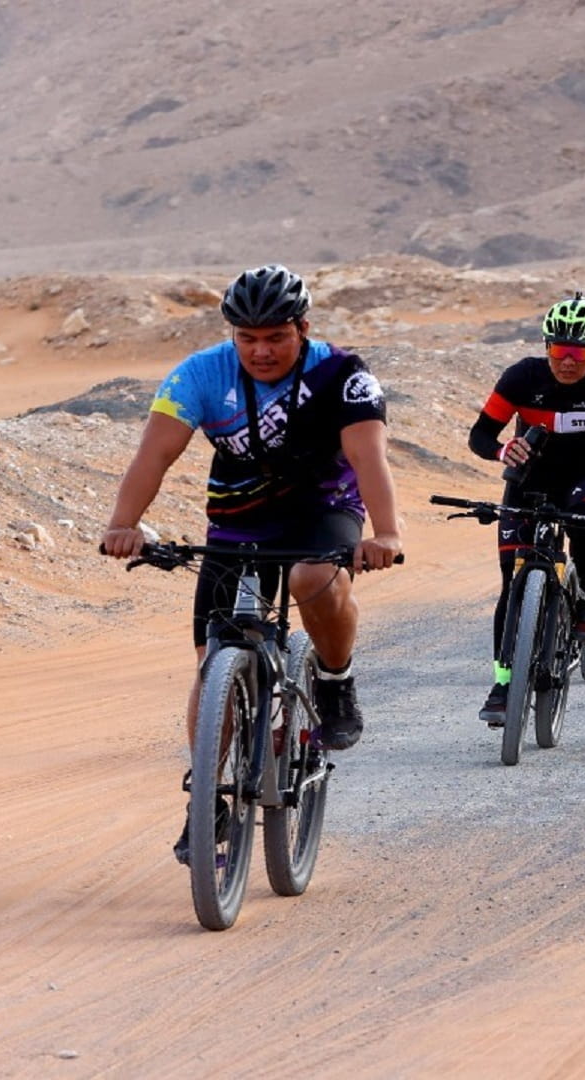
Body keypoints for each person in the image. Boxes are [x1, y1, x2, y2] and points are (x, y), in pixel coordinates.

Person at [99, 264, 404, 863]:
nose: (262, 351)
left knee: (313, 578)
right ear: (232, 334)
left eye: (277, 337)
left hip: (325, 509)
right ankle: (205, 799)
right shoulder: (200, 373)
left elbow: (370, 458)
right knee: (213, 661)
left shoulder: (343, 374)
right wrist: (123, 524)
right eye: (248, 338)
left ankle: (335, 682)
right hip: (239, 519)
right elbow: (154, 455)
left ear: (303, 329)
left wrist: (386, 533)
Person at [471, 294, 585, 725]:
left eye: (578, 352)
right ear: (546, 347)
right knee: (511, 584)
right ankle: (503, 682)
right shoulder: (521, 377)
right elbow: (480, 435)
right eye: (559, 350)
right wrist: (501, 450)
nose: (568, 361)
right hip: (528, 481)